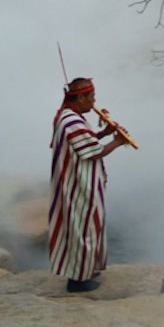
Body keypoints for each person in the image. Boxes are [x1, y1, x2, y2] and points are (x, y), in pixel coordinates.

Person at [49, 78, 128, 292]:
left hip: (81, 180)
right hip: (78, 183)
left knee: (89, 224)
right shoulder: (72, 121)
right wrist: (118, 142)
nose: (94, 102)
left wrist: (104, 133)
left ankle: (86, 267)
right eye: (91, 97)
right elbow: (93, 152)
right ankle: (77, 279)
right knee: (82, 226)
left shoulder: (71, 116)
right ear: (81, 97)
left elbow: (87, 140)